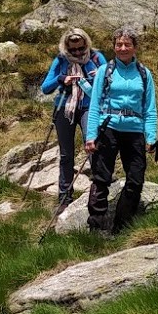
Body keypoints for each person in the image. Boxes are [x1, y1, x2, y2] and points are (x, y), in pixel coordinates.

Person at [84, 27, 158, 235]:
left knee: (135, 179)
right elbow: (95, 105)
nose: (123, 48)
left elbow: (150, 108)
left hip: (134, 131)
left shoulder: (144, 74)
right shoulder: (104, 71)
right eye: (118, 44)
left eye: (127, 44)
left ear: (135, 47)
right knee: (101, 177)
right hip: (108, 129)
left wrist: (151, 136)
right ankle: (96, 225)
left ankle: (121, 226)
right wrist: (91, 136)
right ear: (114, 47)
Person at [40, 28, 105, 208]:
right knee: (66, 153)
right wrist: (62, 79)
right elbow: (45, 88)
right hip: (64, 108)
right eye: (72, 50)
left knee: (91, 144)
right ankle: (64, 196)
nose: (77, 53)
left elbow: (107, 82)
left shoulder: (97, 58)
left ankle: (101, 185)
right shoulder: (60, 60)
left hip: (88, 107)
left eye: (80, 49)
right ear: (66, 48)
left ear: (86, 45)